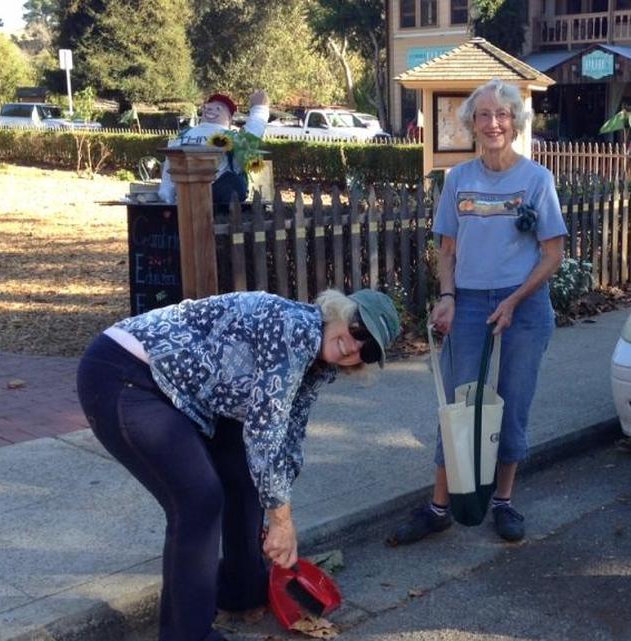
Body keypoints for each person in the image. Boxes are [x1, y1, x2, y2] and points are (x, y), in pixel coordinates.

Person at [75, 288, 400, 641]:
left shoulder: (317, 365)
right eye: (358, 329)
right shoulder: (296, 328)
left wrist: (281, 520)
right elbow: (265, 431)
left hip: (183, 392)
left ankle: (242, 588)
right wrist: (281, 520)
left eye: (368, 349)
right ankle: (188, 635)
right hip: (125, 375)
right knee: (198, 500)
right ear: (338, 311)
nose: (355, 346)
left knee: (245, 474)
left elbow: (288, 438)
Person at [387, 78, 567, 546]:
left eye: (502, 115)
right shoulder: (459, 180)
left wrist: (513, 300)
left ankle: (503, 503)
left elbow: (552, 253)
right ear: (470, 124)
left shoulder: (536, 180)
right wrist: (447, 297)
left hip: (523, 307)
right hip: (467, 305)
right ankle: (440, 507)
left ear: (516, 122)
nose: (493, 123)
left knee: (511, 403)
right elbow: (447, 250)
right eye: (484, 115)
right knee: (458, 407)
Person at [157, 90, 269, 206]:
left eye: (218, 109)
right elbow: (251, 135)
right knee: (234, 183)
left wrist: (166, 197)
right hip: (200, 197)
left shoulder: (184, 136)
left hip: (196, 197)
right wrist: (260, 108)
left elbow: (251, 136)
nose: (210, 109)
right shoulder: (185, 135)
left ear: (230, 118)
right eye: (207, 107)